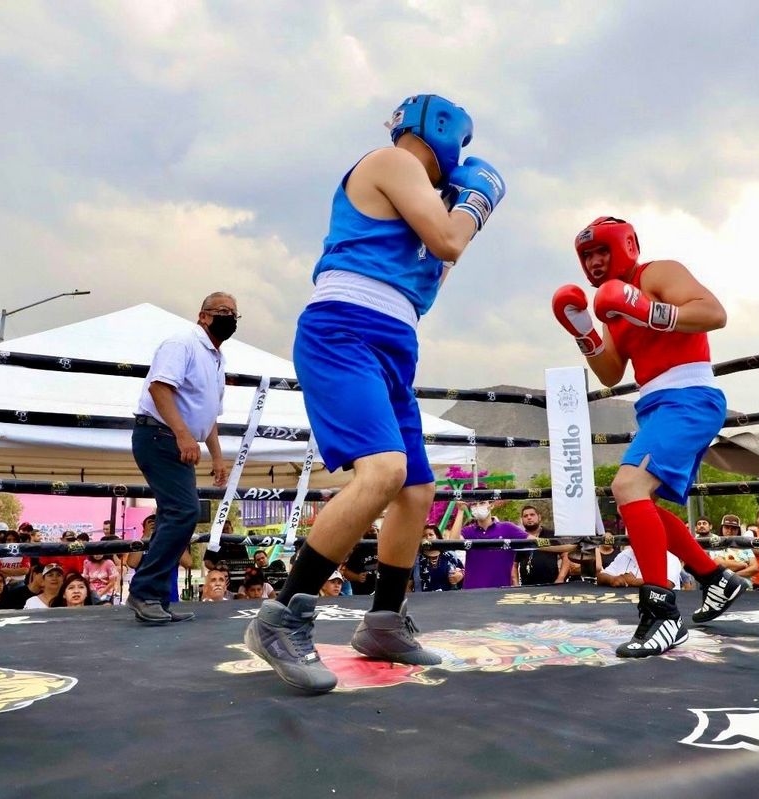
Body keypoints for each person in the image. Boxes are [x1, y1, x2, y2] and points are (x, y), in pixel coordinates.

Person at [245, 94, 505, 694]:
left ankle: (384, 621)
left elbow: (432, 275)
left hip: (393, 339)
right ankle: (281, 617)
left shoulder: (425, 202)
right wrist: (478, 201)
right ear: (440, 132)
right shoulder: (392, 163)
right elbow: (450, 244)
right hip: (344, 326)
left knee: (417, 487)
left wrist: (460, 208)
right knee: (383, 470)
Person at [552, 216, 746, 657]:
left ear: (625, 246)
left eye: (602, 251)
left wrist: (647, 309)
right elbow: (610, 373)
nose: (596, 262)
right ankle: (715, 578)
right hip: (656, 404)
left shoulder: (657, 273)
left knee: (628, 485)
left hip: (690, 396)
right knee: (643, 504)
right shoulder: (610, 306)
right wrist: (583, 331)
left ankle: (662, 612)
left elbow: (714, 314)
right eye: (588, 256)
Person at [127, 293, 235, 625]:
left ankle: (154, 595)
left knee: (183, 515)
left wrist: (217, 457)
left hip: (176, 441)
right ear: (203, 316)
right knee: (183, 511)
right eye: (222, 311)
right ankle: (145, 592)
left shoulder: (218, 359)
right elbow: (159, 389)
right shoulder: (182, 343)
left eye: (233, 313)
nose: (228, 317)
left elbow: (209, 415)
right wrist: (183, 434)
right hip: (160, 435)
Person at [451, 501, 529, 589]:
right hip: (471, 594)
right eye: (474, 504)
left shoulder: (508, 528)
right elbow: (453, 542)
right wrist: (461, 511)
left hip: (500, 592)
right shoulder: (468, 531)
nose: (477, 506)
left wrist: (547, 544)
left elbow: (533, 541)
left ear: (491, 505)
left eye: (482, 503)